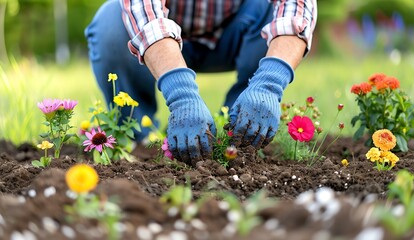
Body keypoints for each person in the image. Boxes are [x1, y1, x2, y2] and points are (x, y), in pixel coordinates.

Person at [85, 0, 317, 165]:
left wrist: (270, 82)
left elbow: (297, 7)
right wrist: (182, 94)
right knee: (109, 23)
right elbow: (143, 10)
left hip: (237, 31)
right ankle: (138, 140)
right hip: (160, 38)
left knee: (267, 7)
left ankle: (240, 136)